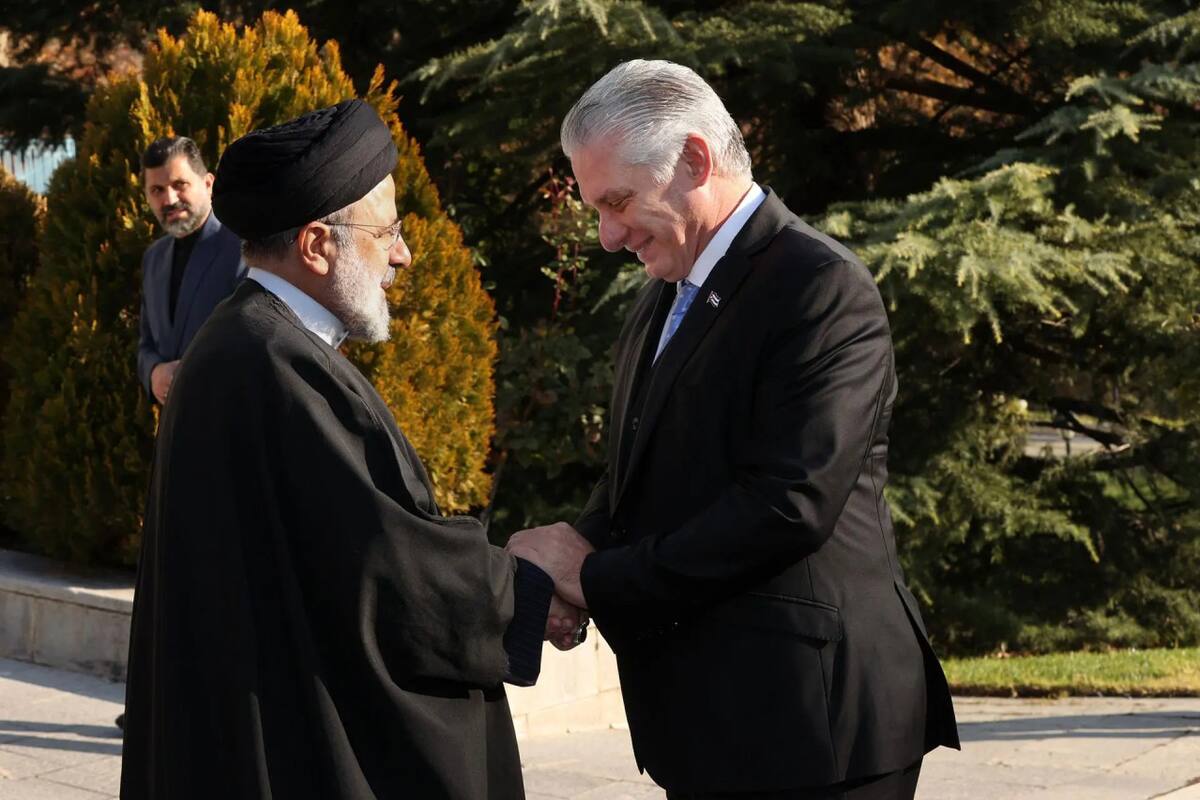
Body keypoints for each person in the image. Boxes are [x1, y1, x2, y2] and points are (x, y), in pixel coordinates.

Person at [507, 60, 961, 799]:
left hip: (812, 728)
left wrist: (590, 577)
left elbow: (788, 505)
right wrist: (570, 559)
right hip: (713, 721)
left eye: (618, 202)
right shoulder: (663, 296)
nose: (607, 236)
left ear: (694, 159)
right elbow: (641, 474)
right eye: (597, 208)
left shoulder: (820, 287)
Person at [120, 100, 570, 800]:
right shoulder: (271, 362)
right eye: (386, 230)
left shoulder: (254, 343)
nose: (402, 253)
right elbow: (384, 561)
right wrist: (530, 590)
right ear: (316, 245)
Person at [137, 136, 244, 405]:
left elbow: (258, 342)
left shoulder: (245, 249)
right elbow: (146, 344)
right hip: (174, 433)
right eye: (157, 190)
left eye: (179, 184)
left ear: (208, 184)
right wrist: (154, 373)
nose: (169, 199)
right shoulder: (153, 258)